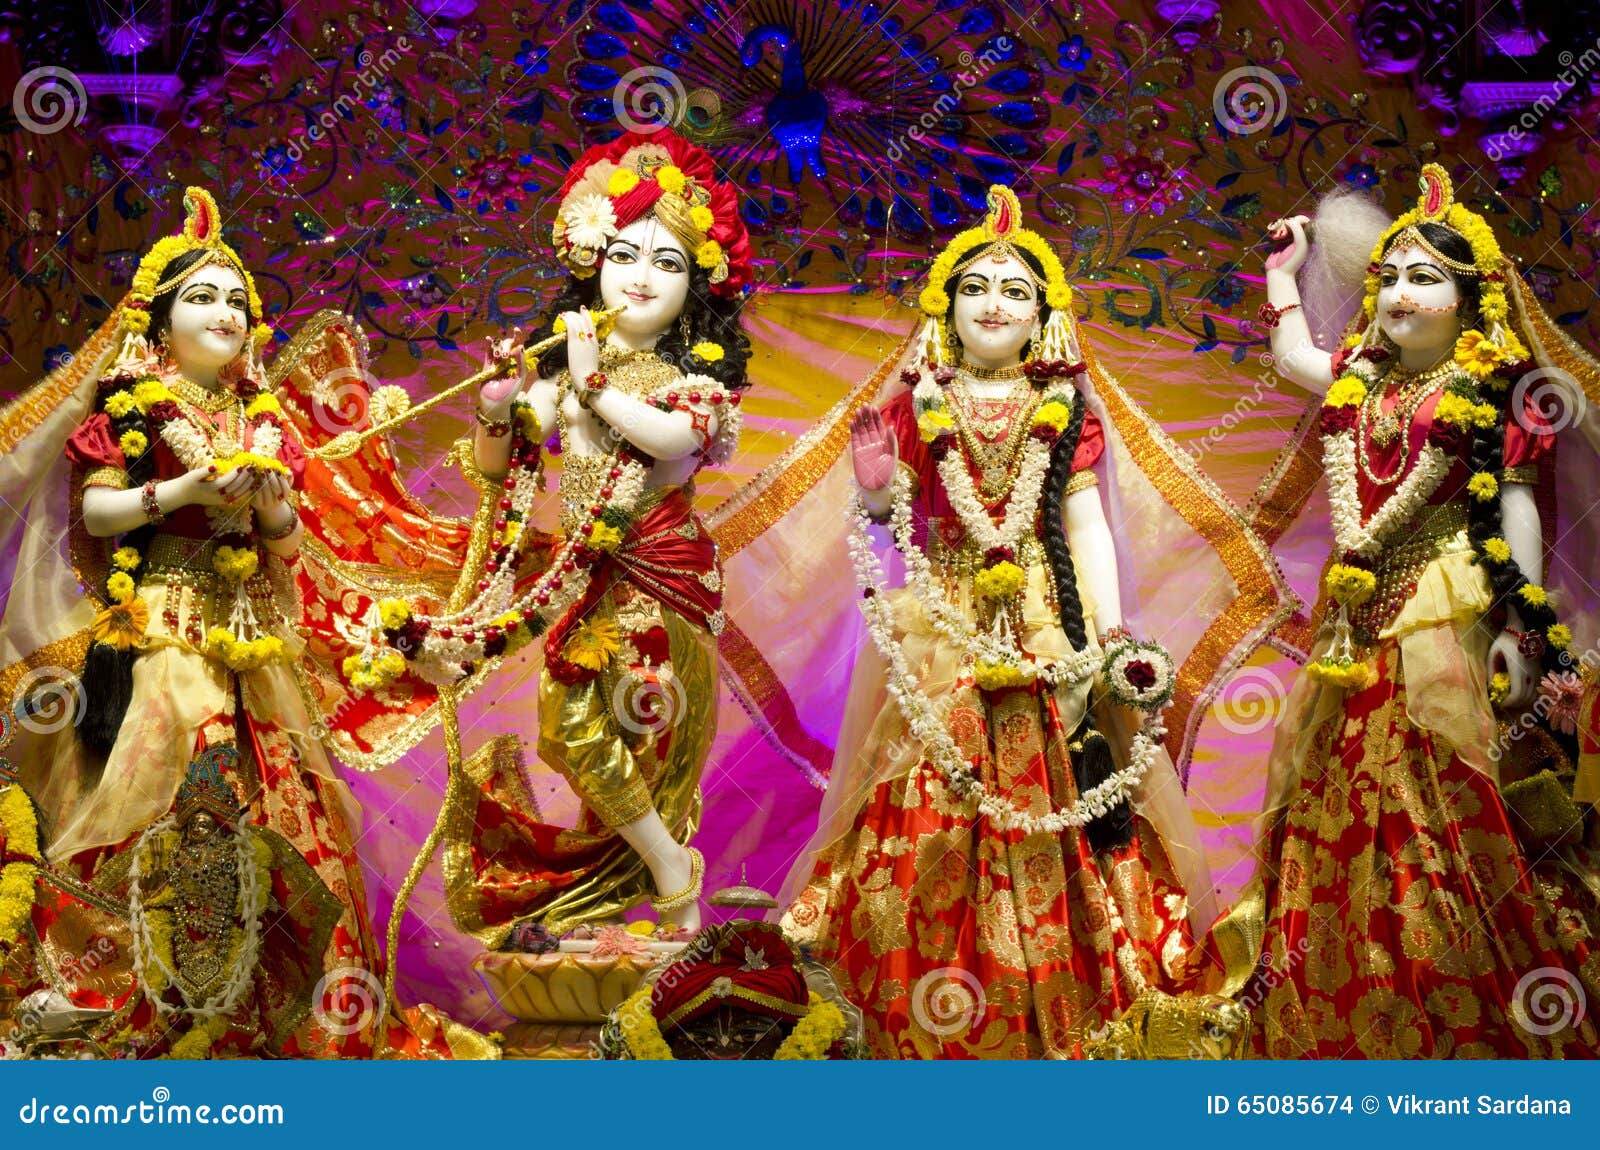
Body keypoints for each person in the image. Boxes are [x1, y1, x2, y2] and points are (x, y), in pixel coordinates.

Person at [777, 186, 1293, 1058]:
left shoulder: (1067, 410)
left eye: (1016, 290)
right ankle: (914, 1005)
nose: (995, 303)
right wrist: (871, 487)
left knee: (1064, 794)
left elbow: (1087, 526)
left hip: (1048, 626)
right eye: (977, 285)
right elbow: (886, 524)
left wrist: (1110, 633)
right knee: (924, 800)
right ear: (945, 304)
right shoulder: (916, 404)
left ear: (1045, 318)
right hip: (941, 623)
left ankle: (1073, 1006)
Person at [1106, 164, 1600, 1059]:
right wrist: (1283, 277)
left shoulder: (1496, 388)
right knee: (1333, 789)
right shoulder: (1360, 382)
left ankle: (1467, 991)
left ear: (1470, 298)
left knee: (1443, 785)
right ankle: (1353, 990)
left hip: (1448, 602)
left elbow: (1518, 499)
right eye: (1393, 277)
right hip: (1356, 618)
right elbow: (1296, 360)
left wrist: (1523, 626)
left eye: (1427, 278)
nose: (1404, 293)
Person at [351, 128, 754, 940]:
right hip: (582, 580)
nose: (640, 277)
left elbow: (668, 444)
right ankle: (665, 864)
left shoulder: (696, 380)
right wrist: (500, 401)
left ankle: (668, 885)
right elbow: (507, 461)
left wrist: (591, 380)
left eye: (667, 264)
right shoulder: (565, 372)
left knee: (648, 726)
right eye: (624, 255)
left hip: (658, 580)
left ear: (698, 289)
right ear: (592, 264)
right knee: (565, 728)